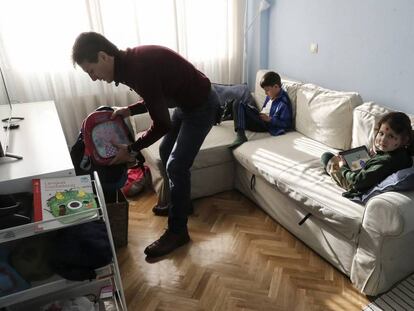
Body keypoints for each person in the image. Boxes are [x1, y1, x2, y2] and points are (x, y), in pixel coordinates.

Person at [72, 32, 220, 258]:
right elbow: (155, 95)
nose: (93, 78)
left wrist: (130, 150)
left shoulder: (137, 68)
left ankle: (178, 231)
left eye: (91, 71)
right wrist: (129, 110)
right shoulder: (130, 64)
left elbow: (162, 124)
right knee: (164, 151)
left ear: (103, 56)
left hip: (201, 107)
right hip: (185, 103)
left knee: (177, 166)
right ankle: (180, 204)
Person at [321, 112, 413, 198]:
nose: (383, 140)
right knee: (353, 157)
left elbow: (357, 182)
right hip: (367, 172)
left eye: (391, 136)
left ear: (404, 140)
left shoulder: (385, 162)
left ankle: (330, 170)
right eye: (381, 133)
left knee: (327, 156)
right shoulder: (403, 153)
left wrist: (343, 167)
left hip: (354, 184)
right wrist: (377, 155)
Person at [229, 71, 292, 149]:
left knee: (238, 104)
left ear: (276, 86)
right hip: (260, 118)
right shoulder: (271, 95)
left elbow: (287, 124)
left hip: (266, 125)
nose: (266, 93)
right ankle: (225, 113)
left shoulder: (283, 103)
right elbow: (264, 110)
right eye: (265, 90)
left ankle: (241, 135)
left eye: (267, 90)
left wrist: (270, 119)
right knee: (235, 103)